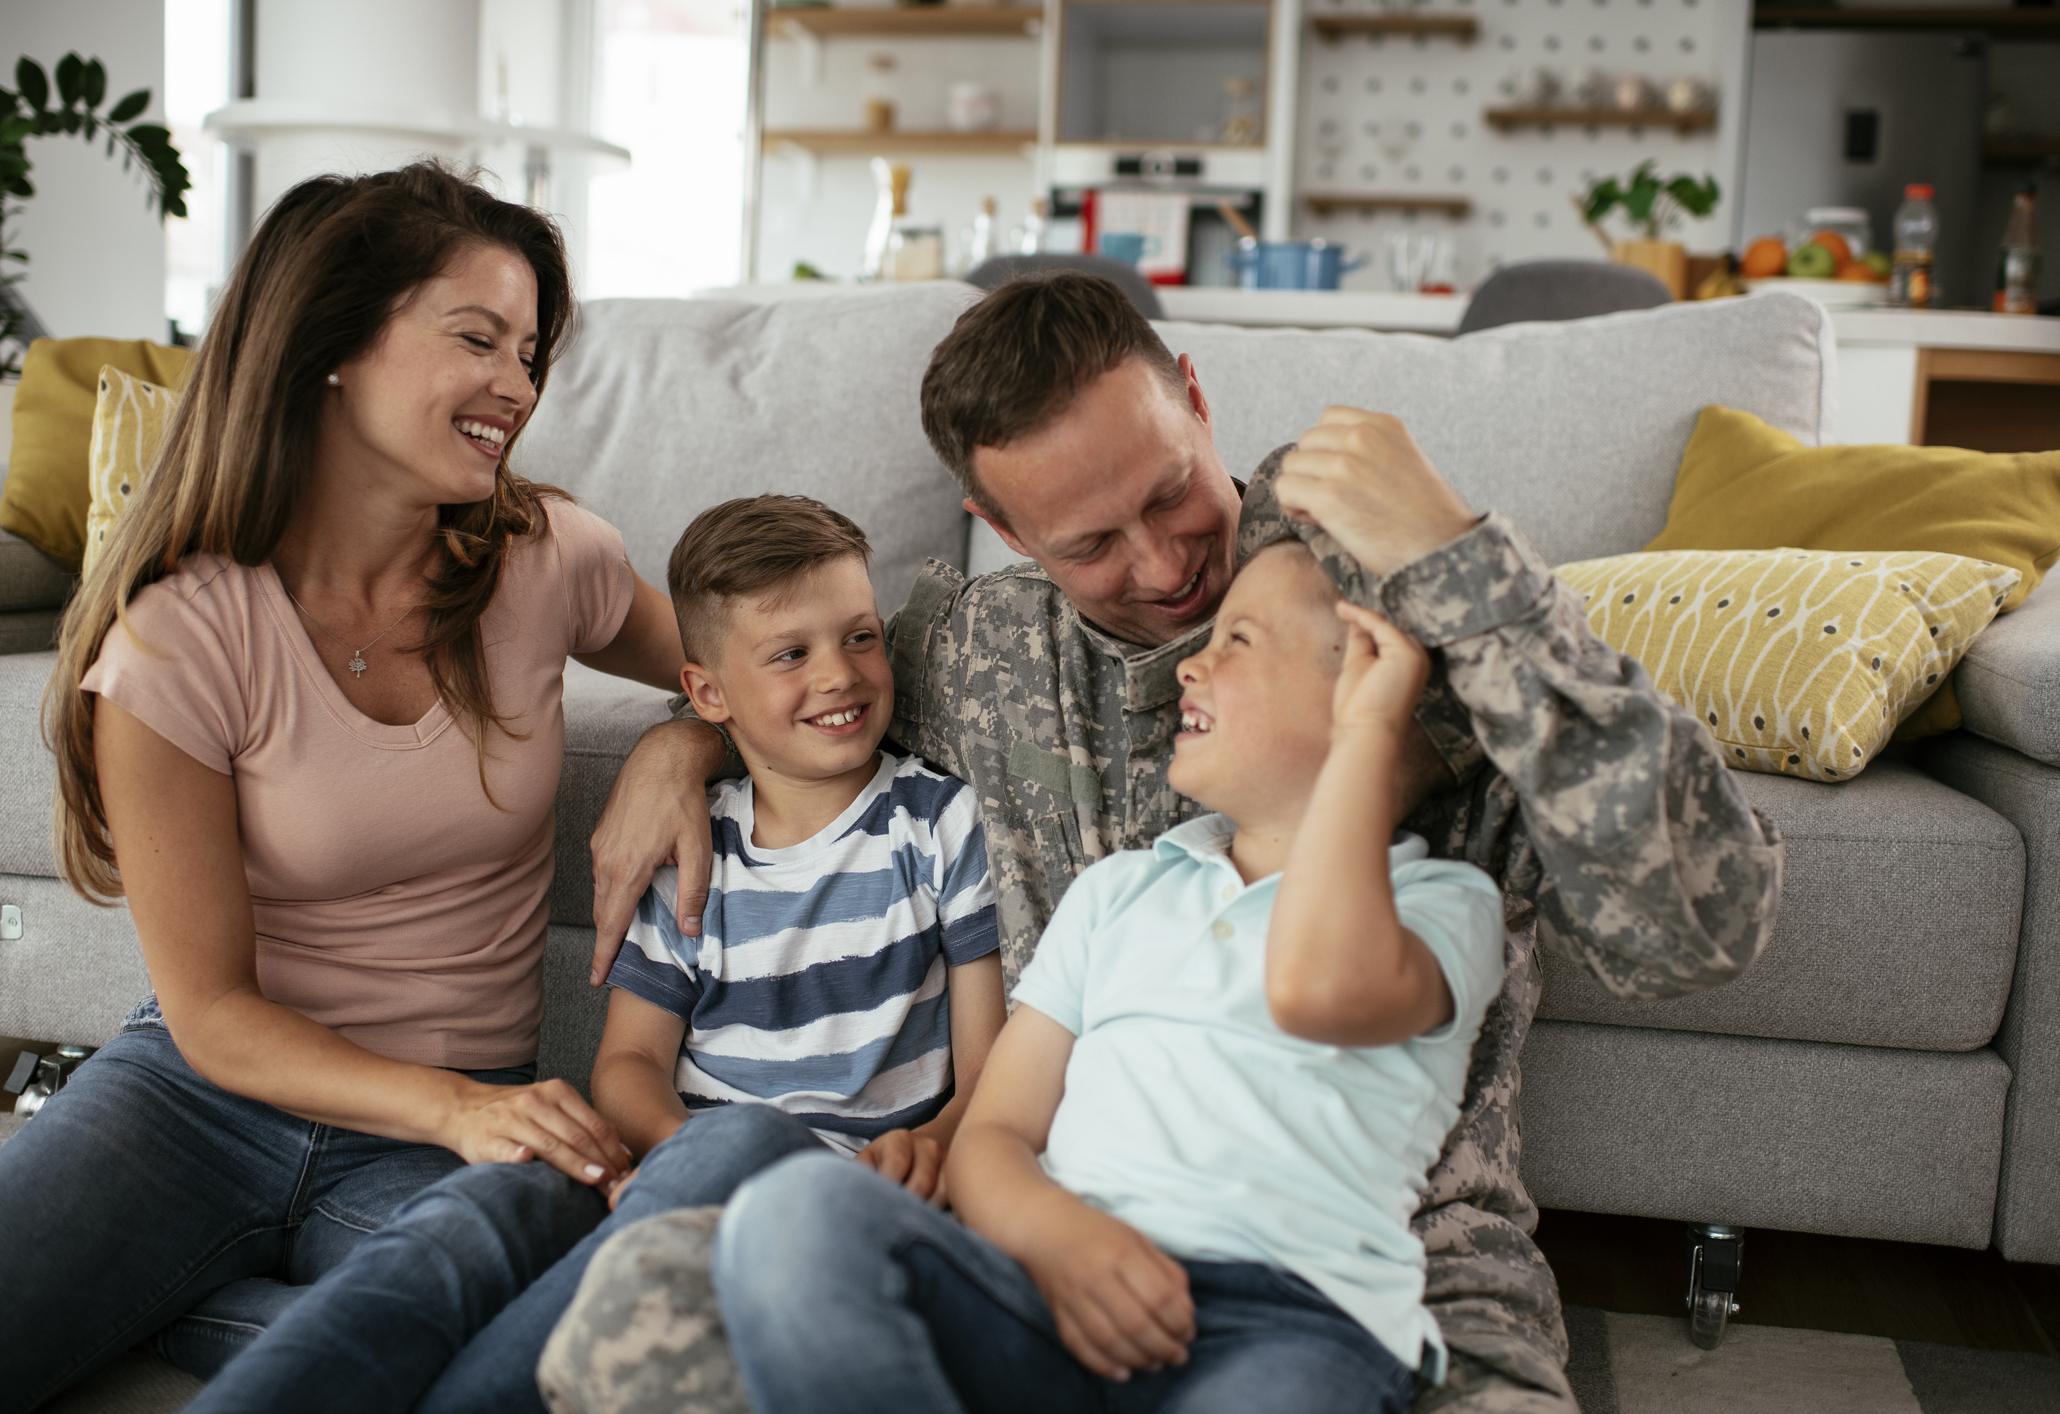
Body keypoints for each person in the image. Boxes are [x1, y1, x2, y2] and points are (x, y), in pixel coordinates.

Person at [580, 272, 1784, 1411]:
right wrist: (683, 745)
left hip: (1394, 1268)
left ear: (1197, 398)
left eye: (1170, 494)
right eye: (1090, 544)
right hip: (1053, 1237)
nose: (1162, 566)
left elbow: (1698, 928)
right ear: (1001, 528)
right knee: (662, 1315)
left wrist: (1467, 565)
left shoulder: (1377, 603)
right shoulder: (981, 655)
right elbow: (801, 699)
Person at [0, 163, 681, 1413]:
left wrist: (679, 748)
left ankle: (129, 1277)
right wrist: (456, 1109)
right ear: (332, 344)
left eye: (529, 353)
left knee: (534, 1317)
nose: (518, 385)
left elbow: (751, 677)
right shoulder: (178, 640)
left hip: (446, 1137)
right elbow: (214, 1015)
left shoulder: (547, 557)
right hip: (201, 1098)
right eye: (478, 339)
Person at [181, 495, 1009, 1414]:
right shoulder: (691, 850)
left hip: (838, 1208)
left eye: (861, 637)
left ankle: (218, 1322)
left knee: (735, 1159)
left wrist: (932, 1147)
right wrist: (688, 1157)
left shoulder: (939, 824)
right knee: (500, 1207)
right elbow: (627, 1067)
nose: (839, 674)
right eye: (791, 654)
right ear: (707, 694)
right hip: (681, 1171)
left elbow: (990, 1072)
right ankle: (214, 1321)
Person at [715, 539, 1506, 1414]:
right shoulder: (1120, 892)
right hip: (1054, 1293)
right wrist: (1059, 1242)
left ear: (1369, 696)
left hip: (1289, 1325)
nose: (1189, 666)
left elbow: (1315, 987)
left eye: (1237, 641)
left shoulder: (1440, 906)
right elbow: (995, 1132)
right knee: (792, 1215)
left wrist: (1364, 737)